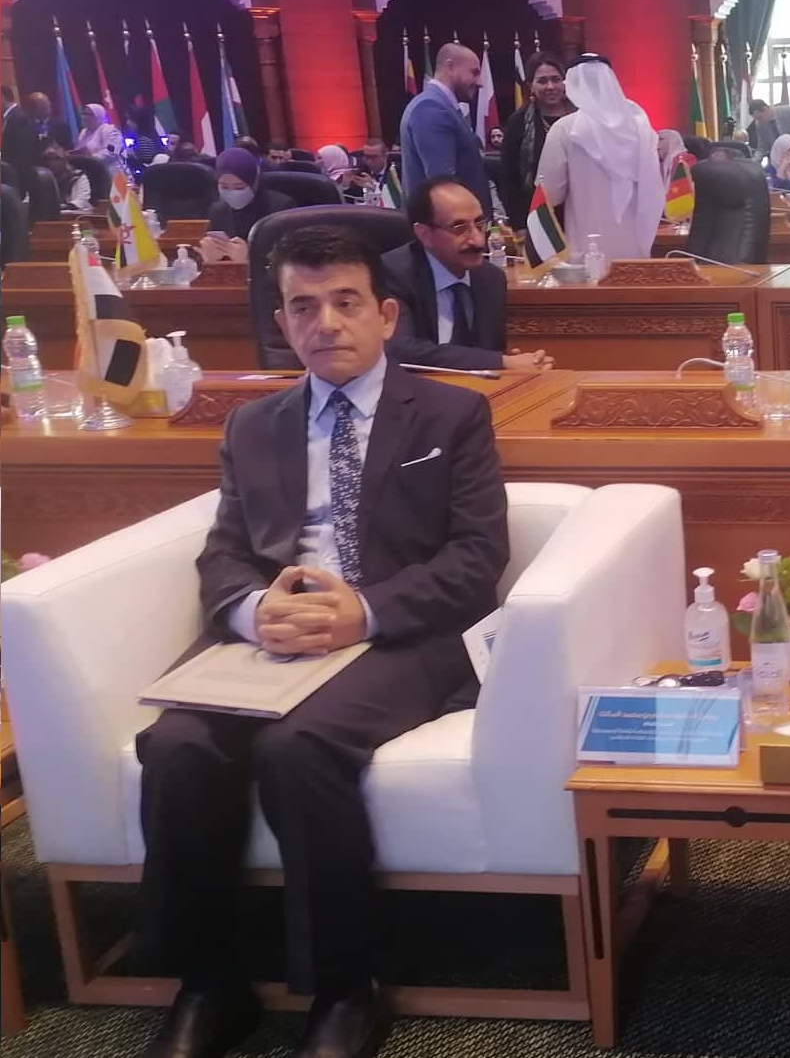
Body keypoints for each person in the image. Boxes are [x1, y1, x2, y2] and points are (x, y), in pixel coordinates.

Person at [133, 224, 510, 1058]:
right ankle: (208, 983)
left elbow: (477, 559)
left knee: (298, 748)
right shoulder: (254, 425)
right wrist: (251, 611)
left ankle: (345, 988)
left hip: (402, 638)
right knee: (177, 746)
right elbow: (224, 553)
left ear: (385, 314)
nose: (326, 323)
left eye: (345, 303)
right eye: (304, 307)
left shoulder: (451, 414)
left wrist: (362, 612)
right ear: (282, 321)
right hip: (276, 637)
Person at [379, 175, 551, 373]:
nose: (478, 240)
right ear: (424, 234)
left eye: (480, 224)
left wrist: (510, 363)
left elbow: (489, 351)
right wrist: (499, 362)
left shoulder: (491, 279)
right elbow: (400, 351)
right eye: (460, 228)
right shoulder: (392, 273)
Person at [536, 53, 664, 262]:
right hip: (635, 246)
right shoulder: (640, 125)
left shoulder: (565, 128)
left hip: (587, 247)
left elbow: (549, 193)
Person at [398, 42, 492, 216]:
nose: (480, 83)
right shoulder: (431, 108)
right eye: (474, 72)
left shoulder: (438, 106)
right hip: (450, 227)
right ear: (450, 67)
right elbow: (443, 187)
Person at [501, 51, 572, 228]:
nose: (550, 86)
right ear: (530, 86)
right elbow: (509, 179)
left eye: (556, 79)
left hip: (582, 211)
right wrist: (519, 225)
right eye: (542, 81)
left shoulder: (582, 117)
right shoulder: (519, 122)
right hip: (537, 217)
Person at [200, 146, 296, 262]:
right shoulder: (217, 211)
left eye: (239, 187)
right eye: (224, 187)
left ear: (253, 184)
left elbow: (290, 261)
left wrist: (249, 259)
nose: (232, 193)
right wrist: (210, 260)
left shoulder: (280, 208)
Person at [41, 142, 91, 213]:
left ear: (65, 159)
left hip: (75, 216)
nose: (52, 163)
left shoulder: (78, 176)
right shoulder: (44, 178)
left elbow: (81, 201)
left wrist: (60, 207)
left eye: (56, 158)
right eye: (48, 159)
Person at [1, 86, 40, 173]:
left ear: (2, 97)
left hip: (19, 173)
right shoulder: (11, 116)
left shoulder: (18, 117)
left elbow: (22, 150)